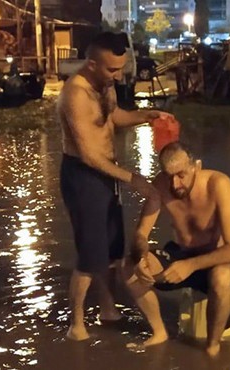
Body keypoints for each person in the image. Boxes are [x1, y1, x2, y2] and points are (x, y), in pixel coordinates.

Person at [57, 32, 173, 341]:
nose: (118, 75)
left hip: (107, 175)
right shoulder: (75, 94)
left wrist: (145, 116)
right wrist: (133, 178)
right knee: (89, 255)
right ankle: (76, 326)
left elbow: (114, 117)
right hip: (83, 176)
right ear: (92, 63)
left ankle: (108, 310)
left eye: (121, 68)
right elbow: (88, 155)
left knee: (112, 251)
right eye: (112, 70)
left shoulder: (104, 85)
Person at [123, 142, 230, 356]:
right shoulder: (161, 185)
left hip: (215, 257)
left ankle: (212, 347)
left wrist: (190, 265)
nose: (175, 183)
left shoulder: (219, 184)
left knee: (223, 276)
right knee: (129, 268)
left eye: (181, 175)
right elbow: (141, 234)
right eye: (169, 175)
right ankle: (159, 332)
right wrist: (141, 256)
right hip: (181, 252)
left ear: (196, 166)